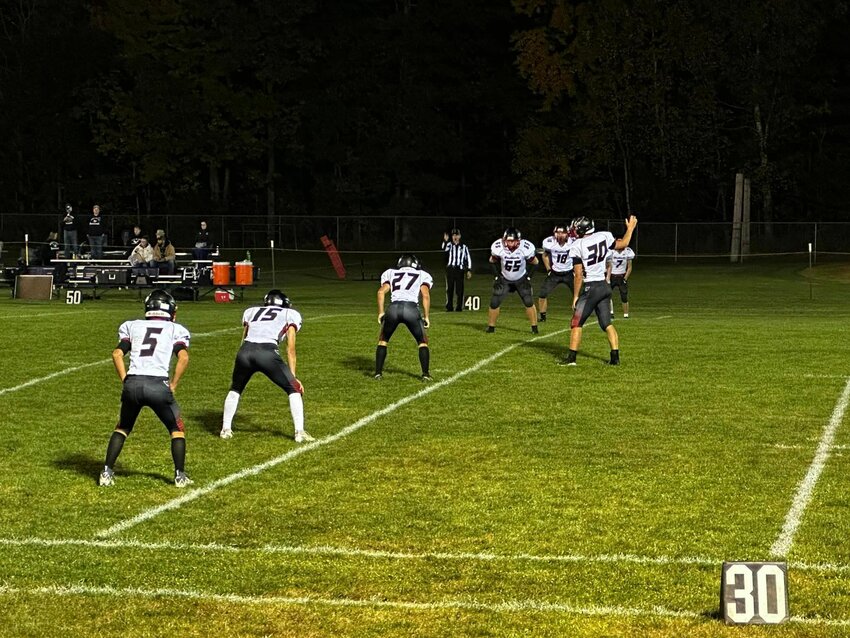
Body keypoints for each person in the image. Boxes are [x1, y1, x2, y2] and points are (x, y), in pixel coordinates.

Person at [98, 290, 192, 487]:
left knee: (122, 427)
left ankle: (106, 472)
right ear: (170, 311)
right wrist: (173, 384)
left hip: (133, 383)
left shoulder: (132, 326)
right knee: (177, 429)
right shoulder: (176, 329)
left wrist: (126, 380)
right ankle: (180, 476)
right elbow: (183, 358)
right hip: (158, 384)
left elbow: (117, 354)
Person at [220, 289, 314, 442]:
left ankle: (225, 429)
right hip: (267, 352)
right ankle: (299, 432)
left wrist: (241, 357)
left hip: (245, 351)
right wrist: (293, 377)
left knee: (236, 388)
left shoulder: (251, 311)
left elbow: (244, 336)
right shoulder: (289, 314)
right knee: (294, 389)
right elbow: (290, 349)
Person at [561, 215, 638, 366]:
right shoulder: (604, 236)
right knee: (606, 324)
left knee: (576, 323)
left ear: (582, 229)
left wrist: (575, 296)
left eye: (576, 229)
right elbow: (624, 243)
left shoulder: (577, 245)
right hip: (604, 285)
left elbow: (578, 275)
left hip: (591, 287)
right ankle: (615, 358)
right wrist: (630, 229)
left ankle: (571, 359)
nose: (574, 231)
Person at [375, 254, 432, 381]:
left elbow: (380, 292)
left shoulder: (391, 273)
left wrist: (380, 312)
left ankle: (378, 373)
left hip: (393, 309)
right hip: (411, 309)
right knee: (422, 342)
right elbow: (425, 295)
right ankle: (425, 374)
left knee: (383, 341)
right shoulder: (422, 274)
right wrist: (426, 316)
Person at [487, 227, 539, 334]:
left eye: (512, 241)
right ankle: (491, 327)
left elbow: (535, 263)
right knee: (494, 302)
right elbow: (491, 261)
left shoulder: (525, 248)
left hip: (521, 278)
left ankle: (534, 328)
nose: (510, 243)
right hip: (505, 278)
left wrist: (528, 277)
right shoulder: (499, 247)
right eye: (508, 241)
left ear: (518, 241)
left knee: (529, 301)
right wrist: (496, 277)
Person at [537, 223, 575, 322]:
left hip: (569, 272)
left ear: (567, 234)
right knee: (542, 294)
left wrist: (578, 271)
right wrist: (548, 269)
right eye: (558, 232)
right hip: (555, 273)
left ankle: (578, 317)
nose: (560, 235)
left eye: (563, 233)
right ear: (554, 233)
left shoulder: (573, 242)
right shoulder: (549, 242)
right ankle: (543, 316)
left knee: (578, 294)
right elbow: (544, 255)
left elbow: (580, 257)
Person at [441, 228, 472, 311]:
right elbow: (443, 248)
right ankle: (449, 307)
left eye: (457, 235)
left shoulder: (464, 247)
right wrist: (445, 241)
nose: (455, 237)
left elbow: (468, 258)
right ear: (452, 236)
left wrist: (468, 270)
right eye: (454, 235)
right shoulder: (449, 245)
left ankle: (459, 307)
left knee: (460, 289)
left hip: (459, 270)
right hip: (450, 269)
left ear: (460, 236)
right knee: (449, 289)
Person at [606, 245, 635, 319]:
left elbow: (629, 267)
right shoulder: (611, 251)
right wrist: (608, 276)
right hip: (612, 275)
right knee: (607, 295)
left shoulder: (627, 251)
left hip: (621, 276)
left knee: (624, 296)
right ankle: (611, 312)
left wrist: (625, 278)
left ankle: (626, 315)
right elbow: (607, 264)